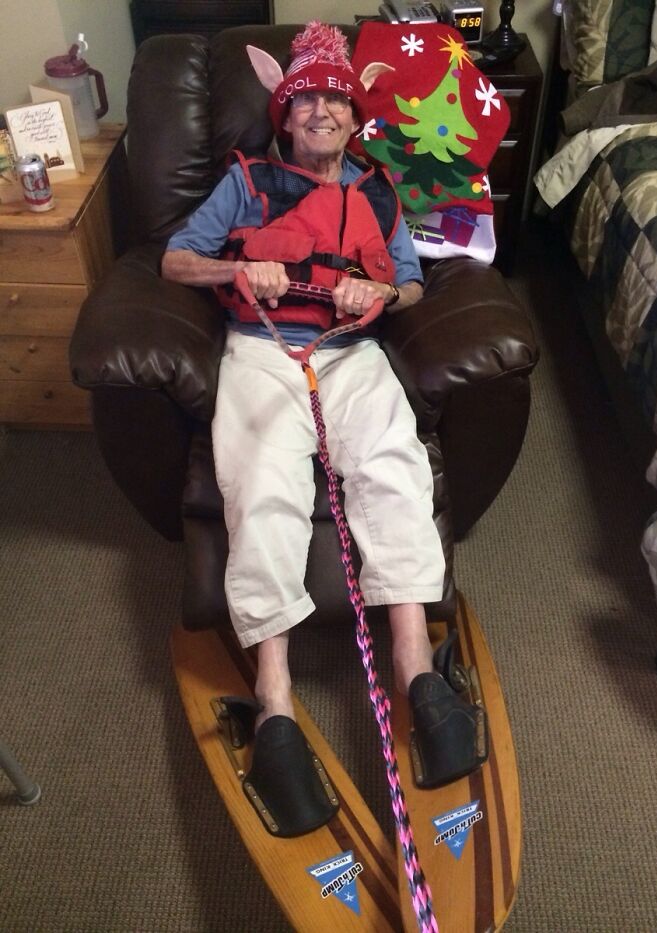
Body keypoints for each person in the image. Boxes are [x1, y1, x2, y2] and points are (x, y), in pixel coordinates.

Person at [162, 22, 483, 834]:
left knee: (392, 462)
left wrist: (378, 297)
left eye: (336, 98)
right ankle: (274, 701)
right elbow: (174, 260)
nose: (322, 110)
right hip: (263, 348)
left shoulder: (379, 193)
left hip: (350, 353)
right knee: (264, 476)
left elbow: (411, 283)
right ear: (286, 110)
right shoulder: (246, 180)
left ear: (351, 115)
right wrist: (241, 268)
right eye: (306, 97)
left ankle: (415, 671)